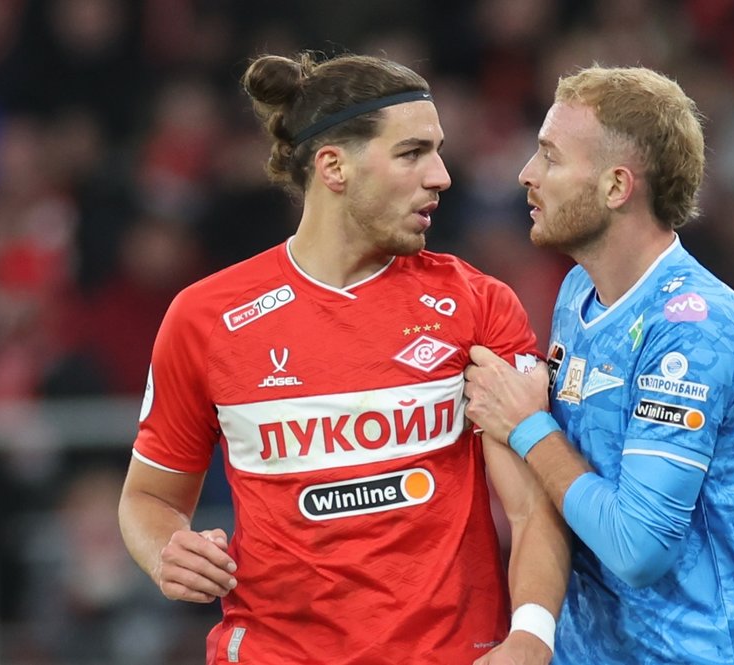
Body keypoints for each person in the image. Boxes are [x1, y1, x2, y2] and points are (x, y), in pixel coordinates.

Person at [118, 51, 569, 665]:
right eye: (412, 153)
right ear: (334, 167)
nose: (441, 175)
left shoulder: (478, 305)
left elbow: (533, 504)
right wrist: (168, 551)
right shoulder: (205, 318)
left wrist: (532, 634)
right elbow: (149, 498)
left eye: (437, 152)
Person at [463, 66, 734, 664]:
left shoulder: (694, 324)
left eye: (550, 156)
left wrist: (527, 427)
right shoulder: (577, 292)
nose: (527, 173)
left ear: (616, 186)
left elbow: (636, 549)